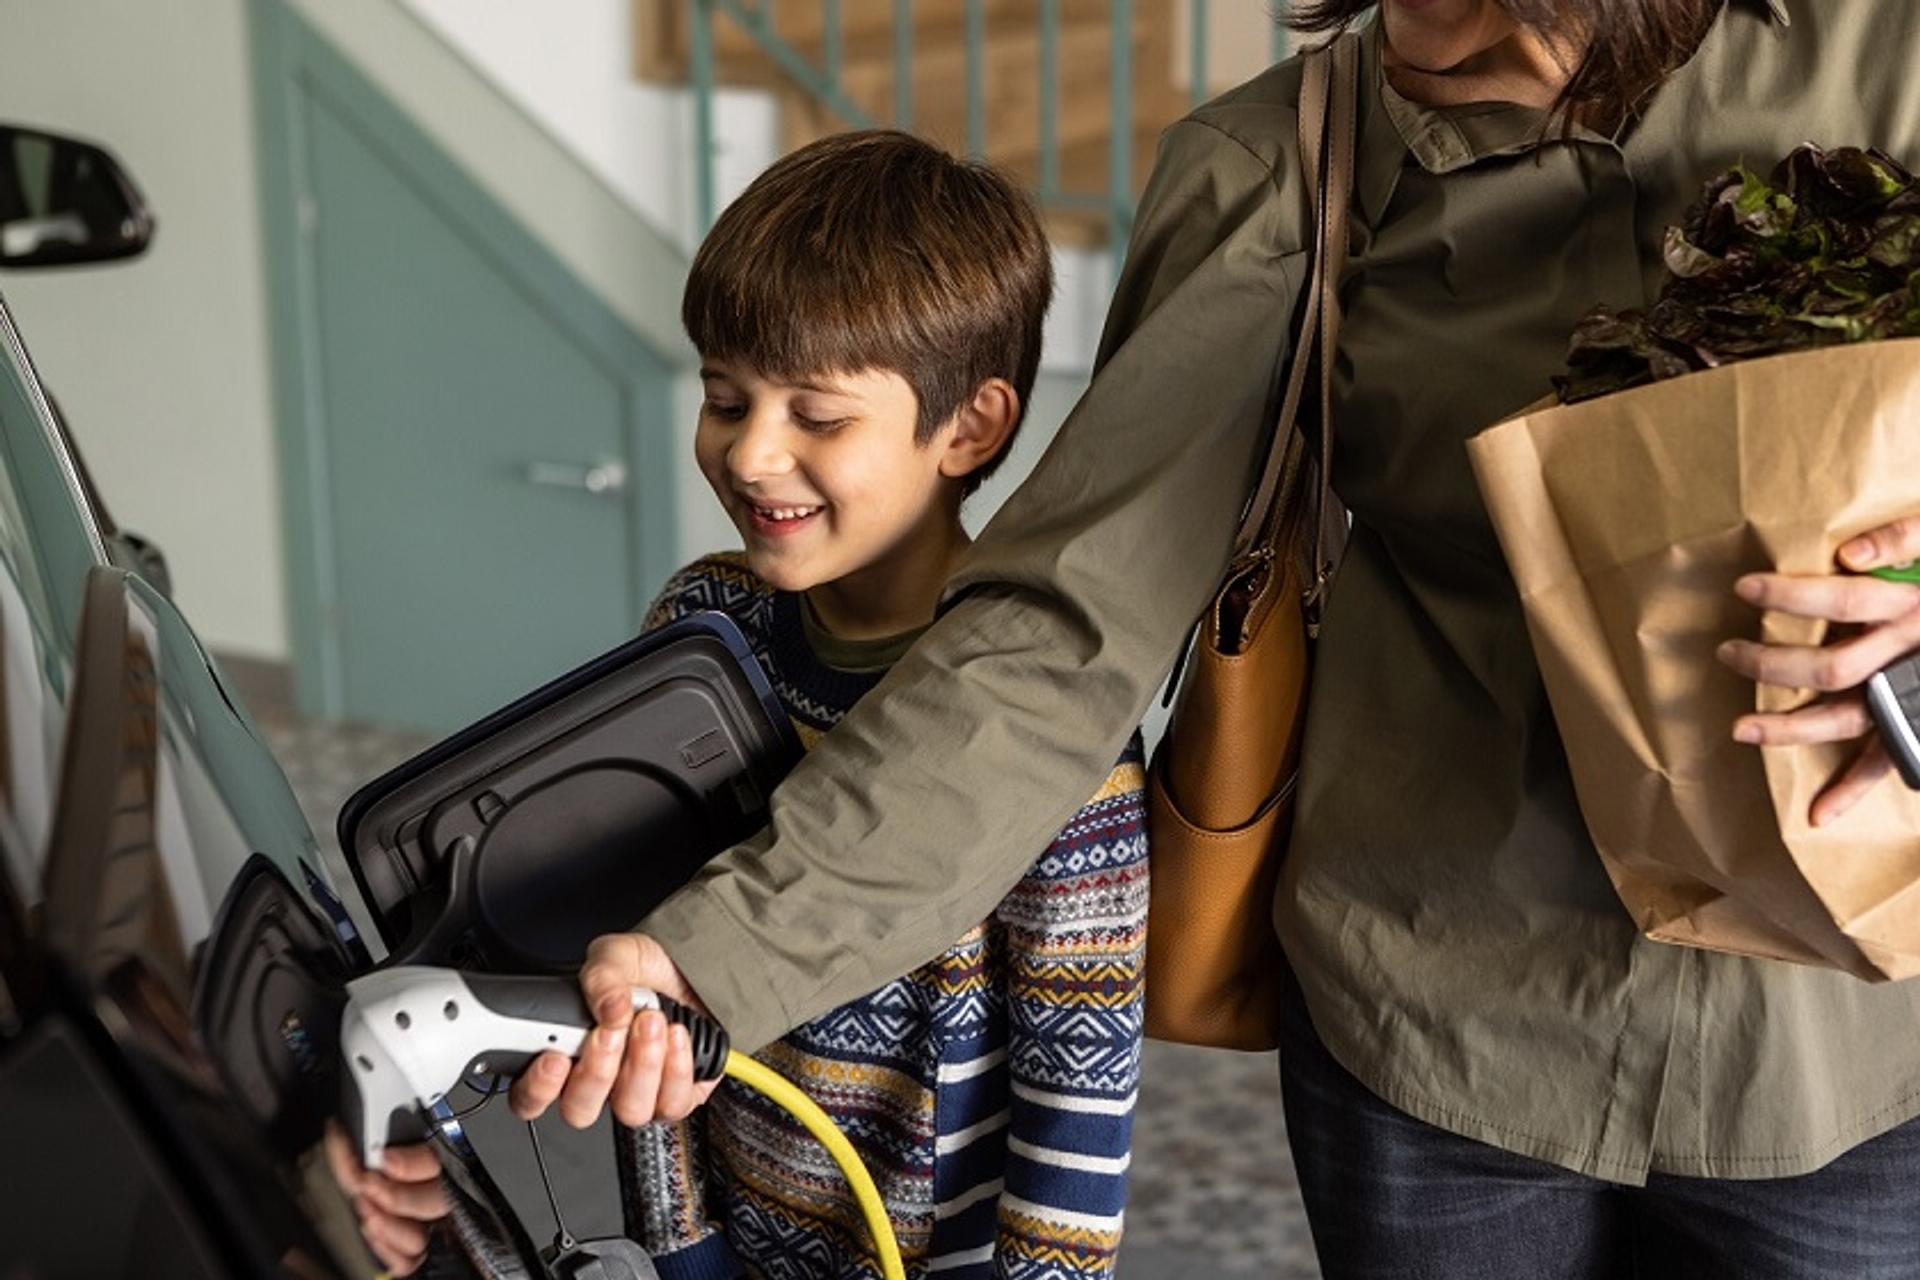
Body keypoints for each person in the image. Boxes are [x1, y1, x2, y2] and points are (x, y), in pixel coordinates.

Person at [504, 2, 1920, 1277]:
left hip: (1845, 1036)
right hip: (1440, 1017)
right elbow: (1067, 632)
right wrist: (726, 954)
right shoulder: (1281, 163)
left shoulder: (1887, 64)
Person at [334, 127, 1149, 1279]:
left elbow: (1078, 1111)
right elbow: (640, 977)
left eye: (817, 417)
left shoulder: (1050, 727)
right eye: (726, 397)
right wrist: (684, 1247)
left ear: (969, 425)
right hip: (708, 1241)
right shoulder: (706, 622)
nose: (753, 452)